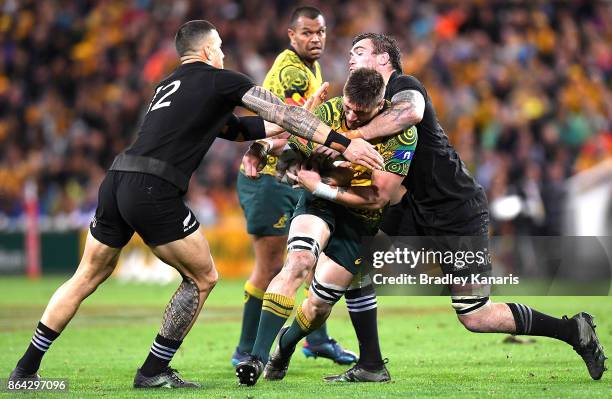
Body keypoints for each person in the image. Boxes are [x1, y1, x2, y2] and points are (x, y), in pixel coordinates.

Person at [7, 20, 384, 389]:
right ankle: (154, 369)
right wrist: (344, 142)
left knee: (85, 276)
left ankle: (25, 372)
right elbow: (281, 114)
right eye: (219, 46)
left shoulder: (167, 85)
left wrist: (301, 115)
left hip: (117, 179)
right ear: (206, 50)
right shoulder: (222, 79)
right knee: (203, 278)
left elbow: (238, 129)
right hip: (153, 187)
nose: (222, 52)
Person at [331, 32, 607, 382]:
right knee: (356, 252)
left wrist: (349, 141)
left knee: (474, 315)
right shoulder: (363, 105)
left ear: (384, 59)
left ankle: (574, 331)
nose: (351, 58)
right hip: (416, 207)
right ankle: (370, 364)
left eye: (359, 51)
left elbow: (412, 112)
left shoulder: (404, 84)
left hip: (456, 209)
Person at [235, 68, 415, 386]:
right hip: (319, 204)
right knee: (299, 261)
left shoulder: (402, 134)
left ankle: (283, 349)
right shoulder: (330, 111)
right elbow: (293, 143)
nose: (351, 117)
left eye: (360, 113)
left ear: (380, 106)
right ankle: (256, 358)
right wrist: (261, 147)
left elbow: (377, 199)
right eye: (348, 108)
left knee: (317, 306)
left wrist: (321, 186)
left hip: (360, 219)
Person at [233, 6, 356, 368]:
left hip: (288, 174)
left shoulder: (308, 67)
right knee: (272, 264)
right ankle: (245, 348)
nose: (315, 39)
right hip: (270, 177)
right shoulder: (293, 73)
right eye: (306, 33)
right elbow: (288, 124)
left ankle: (315, 340)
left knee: (306, 258)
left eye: (320, 32)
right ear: (291, 35)